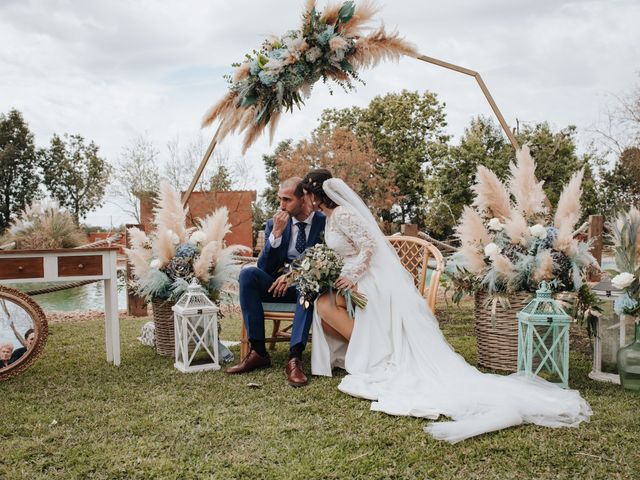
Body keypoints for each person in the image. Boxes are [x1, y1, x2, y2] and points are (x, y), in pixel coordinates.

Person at [300, 169, 592, 443]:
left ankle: (376, 353)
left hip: (368, 279)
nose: (306, 200)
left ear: (315, 195)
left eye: (306, 195)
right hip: (354, 276)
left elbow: (369, 247)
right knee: (324, 304)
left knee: (325, 306)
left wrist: (351, 277)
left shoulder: (345, 213)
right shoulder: (331, 217)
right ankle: (367, 350)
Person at [227, 176, 326, 387]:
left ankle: (294, 358)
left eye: (287, 200)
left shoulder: (322, 222)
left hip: (304, 285)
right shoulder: (274, 223)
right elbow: (264, 267)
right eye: (280, 199)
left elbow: (322, 262)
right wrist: (276, 234)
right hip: (276, 286)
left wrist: (293, 275)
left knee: (306, 287)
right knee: (248, 274)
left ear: (303, 199)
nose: (281, 205)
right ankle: (258, 352)